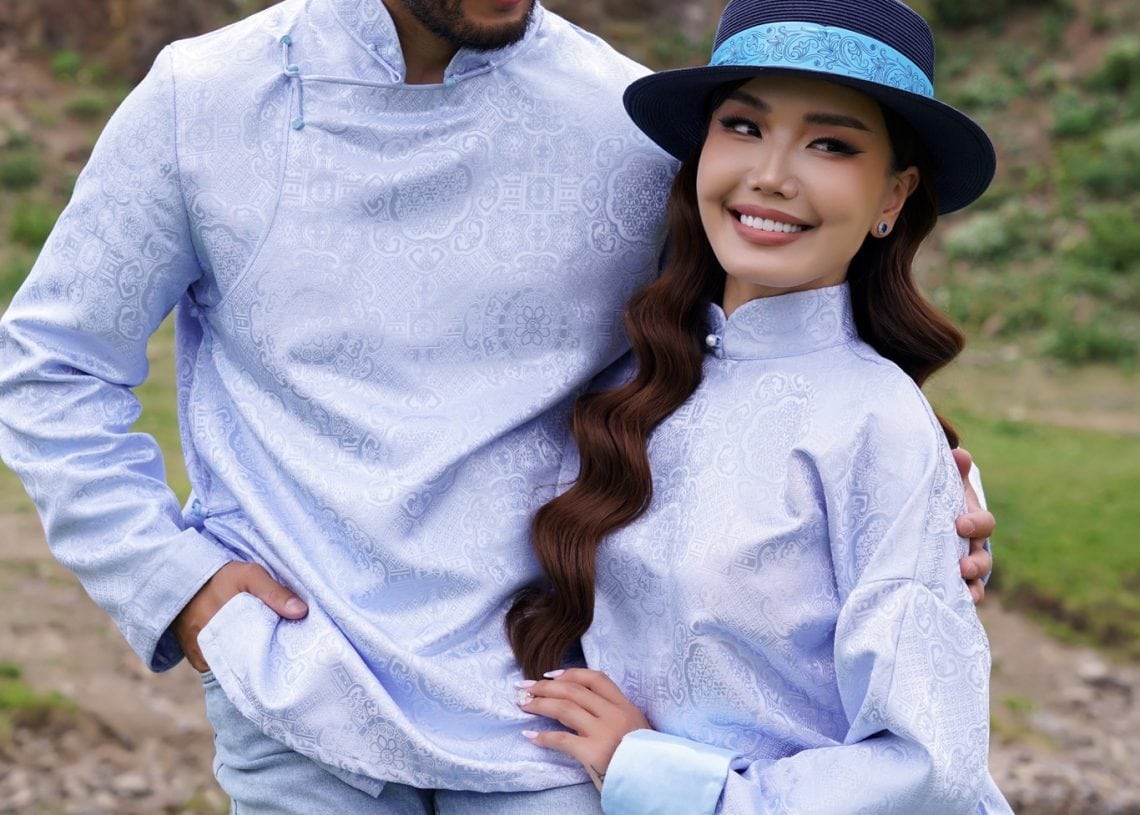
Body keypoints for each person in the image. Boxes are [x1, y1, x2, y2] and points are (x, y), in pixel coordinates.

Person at [0, 0, 993, 811]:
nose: (771, 158)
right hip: (301, 702)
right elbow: (52, 365)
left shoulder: (618, 117)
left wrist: (933, 510)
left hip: (555, 732)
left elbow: (759, 336)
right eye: (751, 129)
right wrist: (179, 581)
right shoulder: (201, 101)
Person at [507, 0, 1014, 812]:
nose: (771, 173)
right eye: (743, 126)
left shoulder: (879, 426)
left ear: (894, 194)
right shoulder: (629, 383)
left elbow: (927, 765)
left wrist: (651, 771)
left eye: (832, 143)